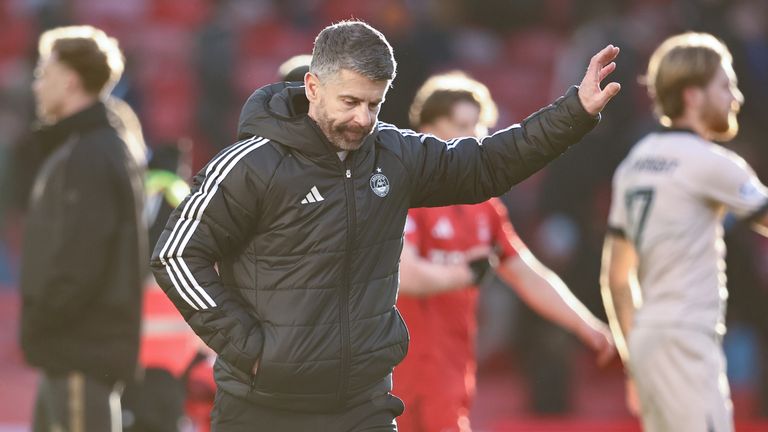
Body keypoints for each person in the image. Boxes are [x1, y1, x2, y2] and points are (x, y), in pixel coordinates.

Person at [150, 20, 620, 431]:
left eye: (374, 104)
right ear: (312, 86)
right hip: (262, 406)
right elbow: (175, 254)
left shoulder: (394, 154)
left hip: (364, 405)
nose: (362, 119)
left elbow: (487, 165)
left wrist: (574, 113)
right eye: (350, 101)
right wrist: (249, 348)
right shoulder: (250, 164)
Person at [393, 72, 616, 432]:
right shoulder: (404, 196)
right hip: (395, 373)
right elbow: (404, 275)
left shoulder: (486, 207)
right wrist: (466, 273)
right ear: (428, 131)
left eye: (479, 125)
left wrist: (584, 325)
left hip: (451, 371)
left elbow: (527, 274)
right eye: (462, 124)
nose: (473, 136)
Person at [600, 32, 768, 432]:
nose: (736, 98)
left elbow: (617, 279)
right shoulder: (709, 162)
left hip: (646, 342)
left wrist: (634, 365)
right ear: (692, 96)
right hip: (688, 342)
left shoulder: (634, 163)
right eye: (726, 85)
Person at [19, 25, 147, 431]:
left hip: (77, 346)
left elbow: (79, 260)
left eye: (43, 73)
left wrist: (41, 321)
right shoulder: (91, 146)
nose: (36, 85)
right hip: (71, 347)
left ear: (70, 80)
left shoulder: (89, 154)